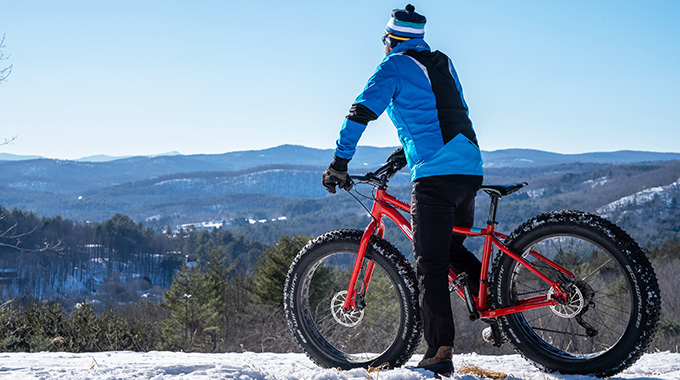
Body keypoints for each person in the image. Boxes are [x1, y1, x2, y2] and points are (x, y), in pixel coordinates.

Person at [322, 4, 484, 376]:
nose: (383, 45)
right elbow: (443, 114)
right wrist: (402, 155)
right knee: (449, 250)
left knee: (430, 263)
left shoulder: (392, 66)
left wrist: (339, 163)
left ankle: (439, 350)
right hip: (469, 167)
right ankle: (498, 312)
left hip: (435, 177)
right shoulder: (443, 62)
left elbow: (359, 113)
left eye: (384, 39)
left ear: (391, 38)